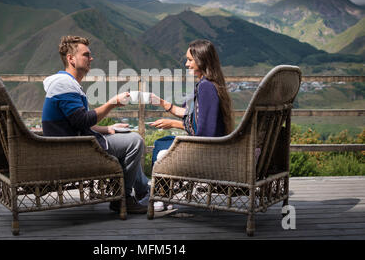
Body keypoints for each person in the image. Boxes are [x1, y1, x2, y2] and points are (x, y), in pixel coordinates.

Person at [41, 35, 149, 214]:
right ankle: (123, 198)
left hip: (75, 141)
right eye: (86, 55)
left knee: (124, 137)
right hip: (74, 149)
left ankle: (143, 191)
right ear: (71, 59)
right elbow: (82, 120)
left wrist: (107, 129)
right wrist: (112, 103)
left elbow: (75, 123)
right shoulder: (64, 85)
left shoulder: (67, 83)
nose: (91, 58)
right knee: (135, 141)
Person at [149, 39, 234, 210]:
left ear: (201, 60)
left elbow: (204, 131)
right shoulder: (209, 83)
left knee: (160, 144)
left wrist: (173, 123)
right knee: (162, 141)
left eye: (189, 60)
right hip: (212, 145)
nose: (186, 64)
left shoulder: (206, 87)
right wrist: (163, 104)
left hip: (206, 150)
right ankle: (163, 193)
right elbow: (193, 116)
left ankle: (162, 195)